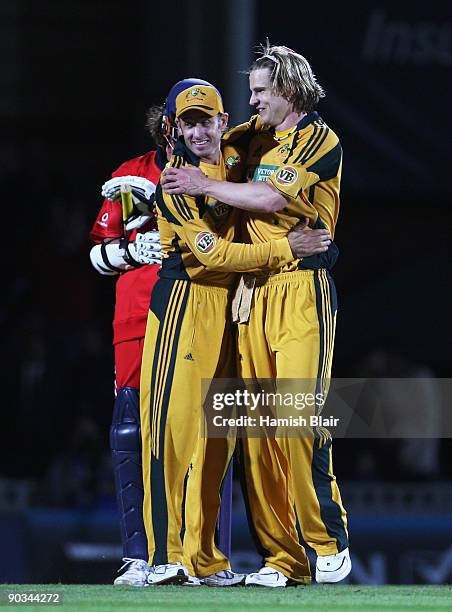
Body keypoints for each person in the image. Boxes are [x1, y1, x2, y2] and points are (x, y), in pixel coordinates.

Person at [161, 43, 351, 587]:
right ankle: (285, 560)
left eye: (261, 91)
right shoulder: (251, 135)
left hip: (300, 290)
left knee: (296, 420)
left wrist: (201, 185)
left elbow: (268, 199)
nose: (252, 101)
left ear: (288, 89)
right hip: (249, 294)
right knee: (259, 436)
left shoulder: (319, 139)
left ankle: (327, 542)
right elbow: (205, 145)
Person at [89, 78, 219, 586]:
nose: (191, 129)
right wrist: (129, 253)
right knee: (132, 430)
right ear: (167, 124)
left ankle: (193, 554)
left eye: (201, 119)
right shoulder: (131, 176)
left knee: (203, 433)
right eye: (185, 120)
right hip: (139, 318)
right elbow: (98, 252)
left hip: (201, 318)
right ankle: (138, 553)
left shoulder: (222, 173)